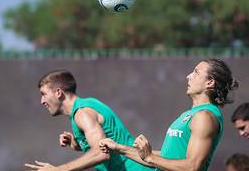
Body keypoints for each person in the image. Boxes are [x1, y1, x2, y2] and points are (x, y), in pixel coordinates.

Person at [99, 58, 239, 171]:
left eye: (196, 72)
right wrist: (119, 148)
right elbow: (166, 158)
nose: (188, 76)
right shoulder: (191, 114)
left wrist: (150, 157)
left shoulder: (205, 117)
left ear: (210, 82)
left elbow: (192, 167)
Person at [25, 70, 150, 171]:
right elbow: (102, 144)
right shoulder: (85, 106)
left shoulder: (82, 113)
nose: (42, 101)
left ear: (58, 92)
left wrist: (58, 170)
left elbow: (101, 153)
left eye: (43, 94)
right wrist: (76, 143)